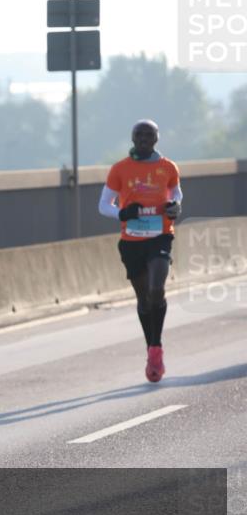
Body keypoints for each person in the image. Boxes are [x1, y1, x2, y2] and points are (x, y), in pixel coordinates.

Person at [98, 119, 182, 382]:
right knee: (144, 299)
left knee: (157, 289)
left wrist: (174, 207)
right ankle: (151, 347)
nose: (144, 139)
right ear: (133, 138)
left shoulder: (167, 167)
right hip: (132, 240)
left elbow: (177, 194)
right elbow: (104, 205)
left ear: (156, 139)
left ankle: (156, 348)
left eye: (149, 135)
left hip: (160, 236)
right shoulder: (120, 169)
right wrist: (122, 212)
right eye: (139, 135)